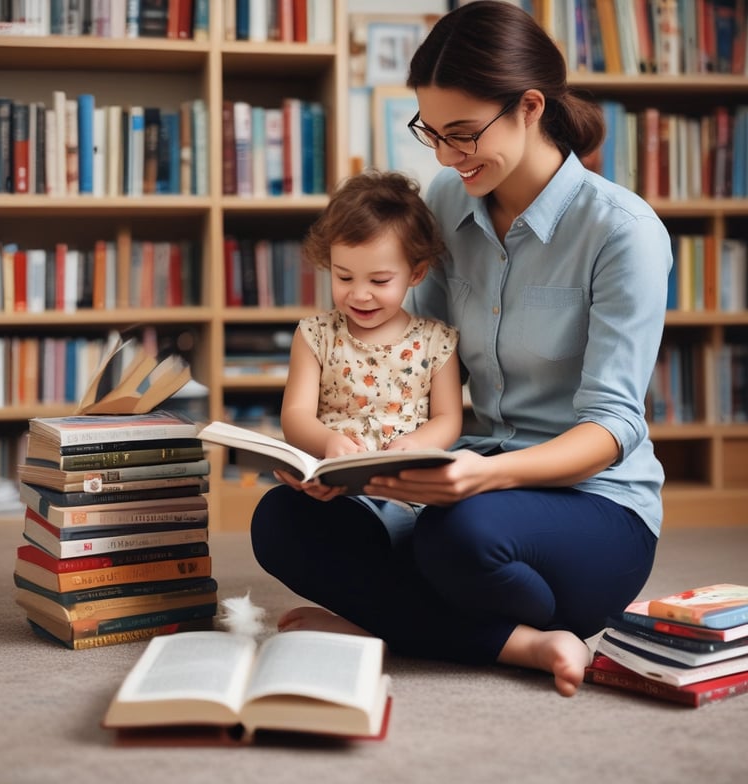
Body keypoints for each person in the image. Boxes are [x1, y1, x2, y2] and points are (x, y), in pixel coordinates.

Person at [251, 0, 673, 698]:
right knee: (286, 521)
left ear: (530, 107)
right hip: (464, 478)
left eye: (465, 133)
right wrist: (349, 457)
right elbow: (413, 359)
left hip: (594, 507)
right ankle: (509, 641)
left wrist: (486, 477)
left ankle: (397, 620)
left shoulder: (621, 233)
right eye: (433, 133)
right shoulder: (449, 201)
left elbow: (613, 428)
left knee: (461, 537)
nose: (447, 156)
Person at [279, 169, 463, 502]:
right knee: (275, 512)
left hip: (404, 483)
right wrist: (327, 443)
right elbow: (295, 416)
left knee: (440, 522)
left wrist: (416, 445)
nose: (360, 295)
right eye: (345, 277)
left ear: (416, 273)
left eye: (379, 281)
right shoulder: (315, 335)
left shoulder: (438, 342)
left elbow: (448, 418)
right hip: (332, 482)